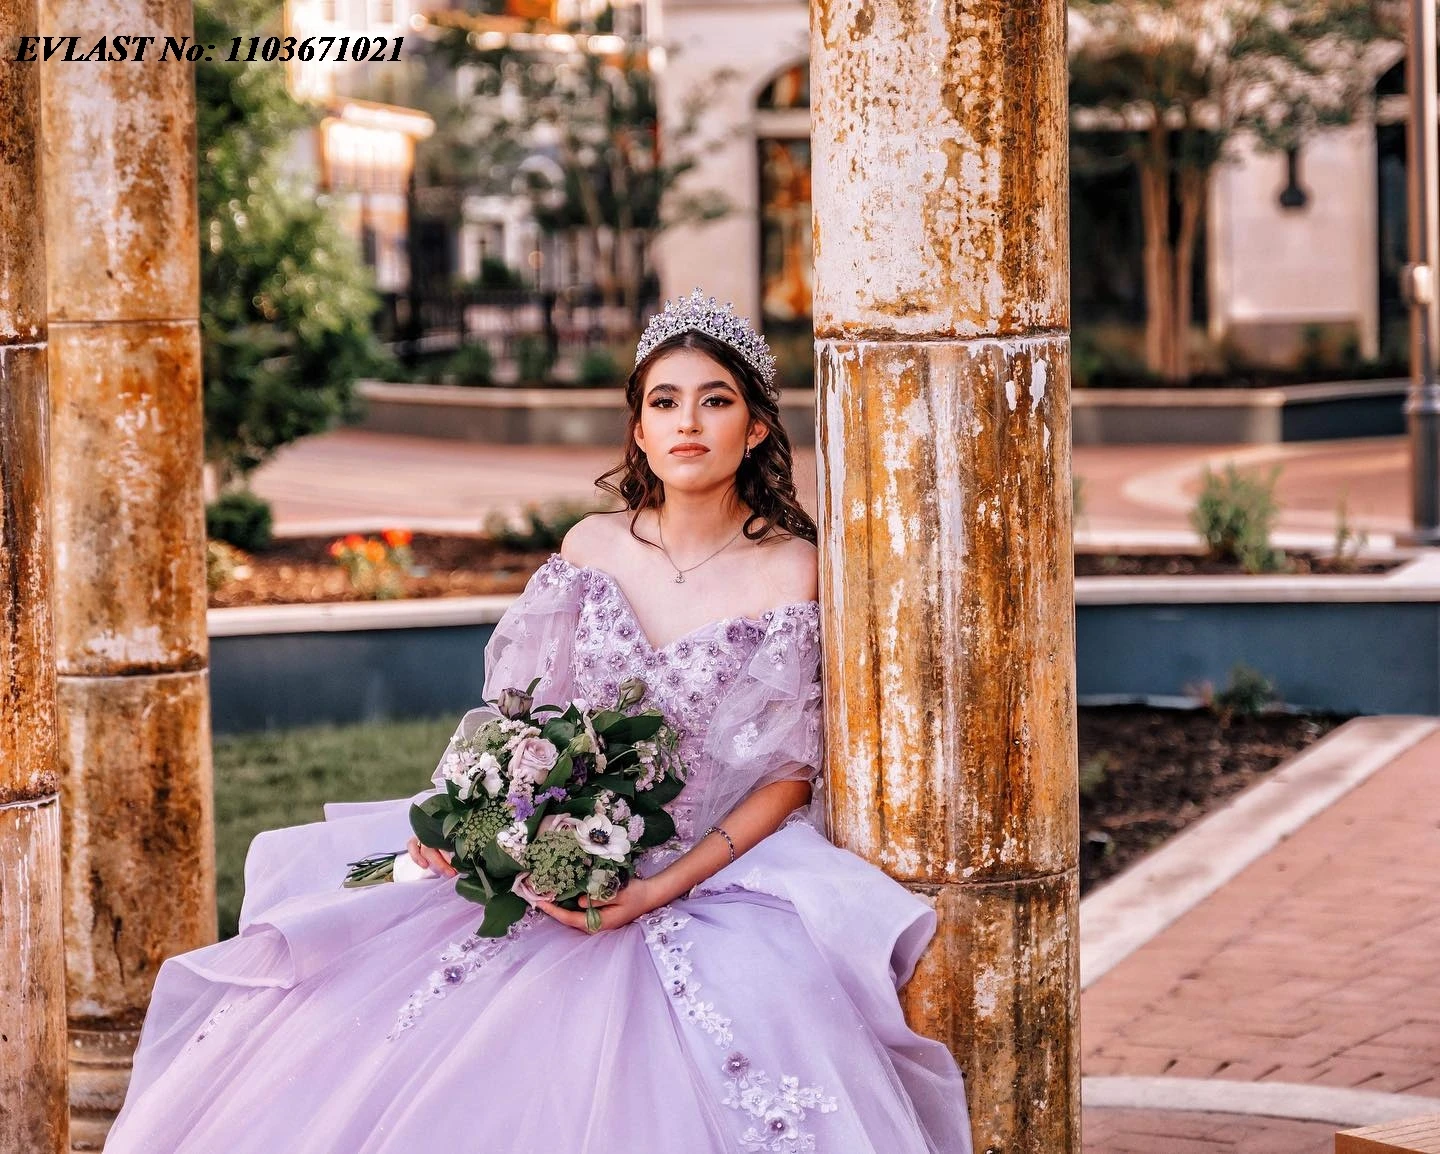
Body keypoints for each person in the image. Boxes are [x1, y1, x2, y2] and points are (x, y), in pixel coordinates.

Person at [103, 290, 974, 1154]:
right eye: (664, 402)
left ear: (753, 428)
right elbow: (518, 714)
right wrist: (464, 815)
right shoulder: (591, 546)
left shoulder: (796, 570)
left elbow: (791, 775)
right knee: (357, 973)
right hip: (541, 856)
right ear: (637, 430)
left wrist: (654, 890)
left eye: (716, 400)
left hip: (707, 872)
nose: (688, 423)